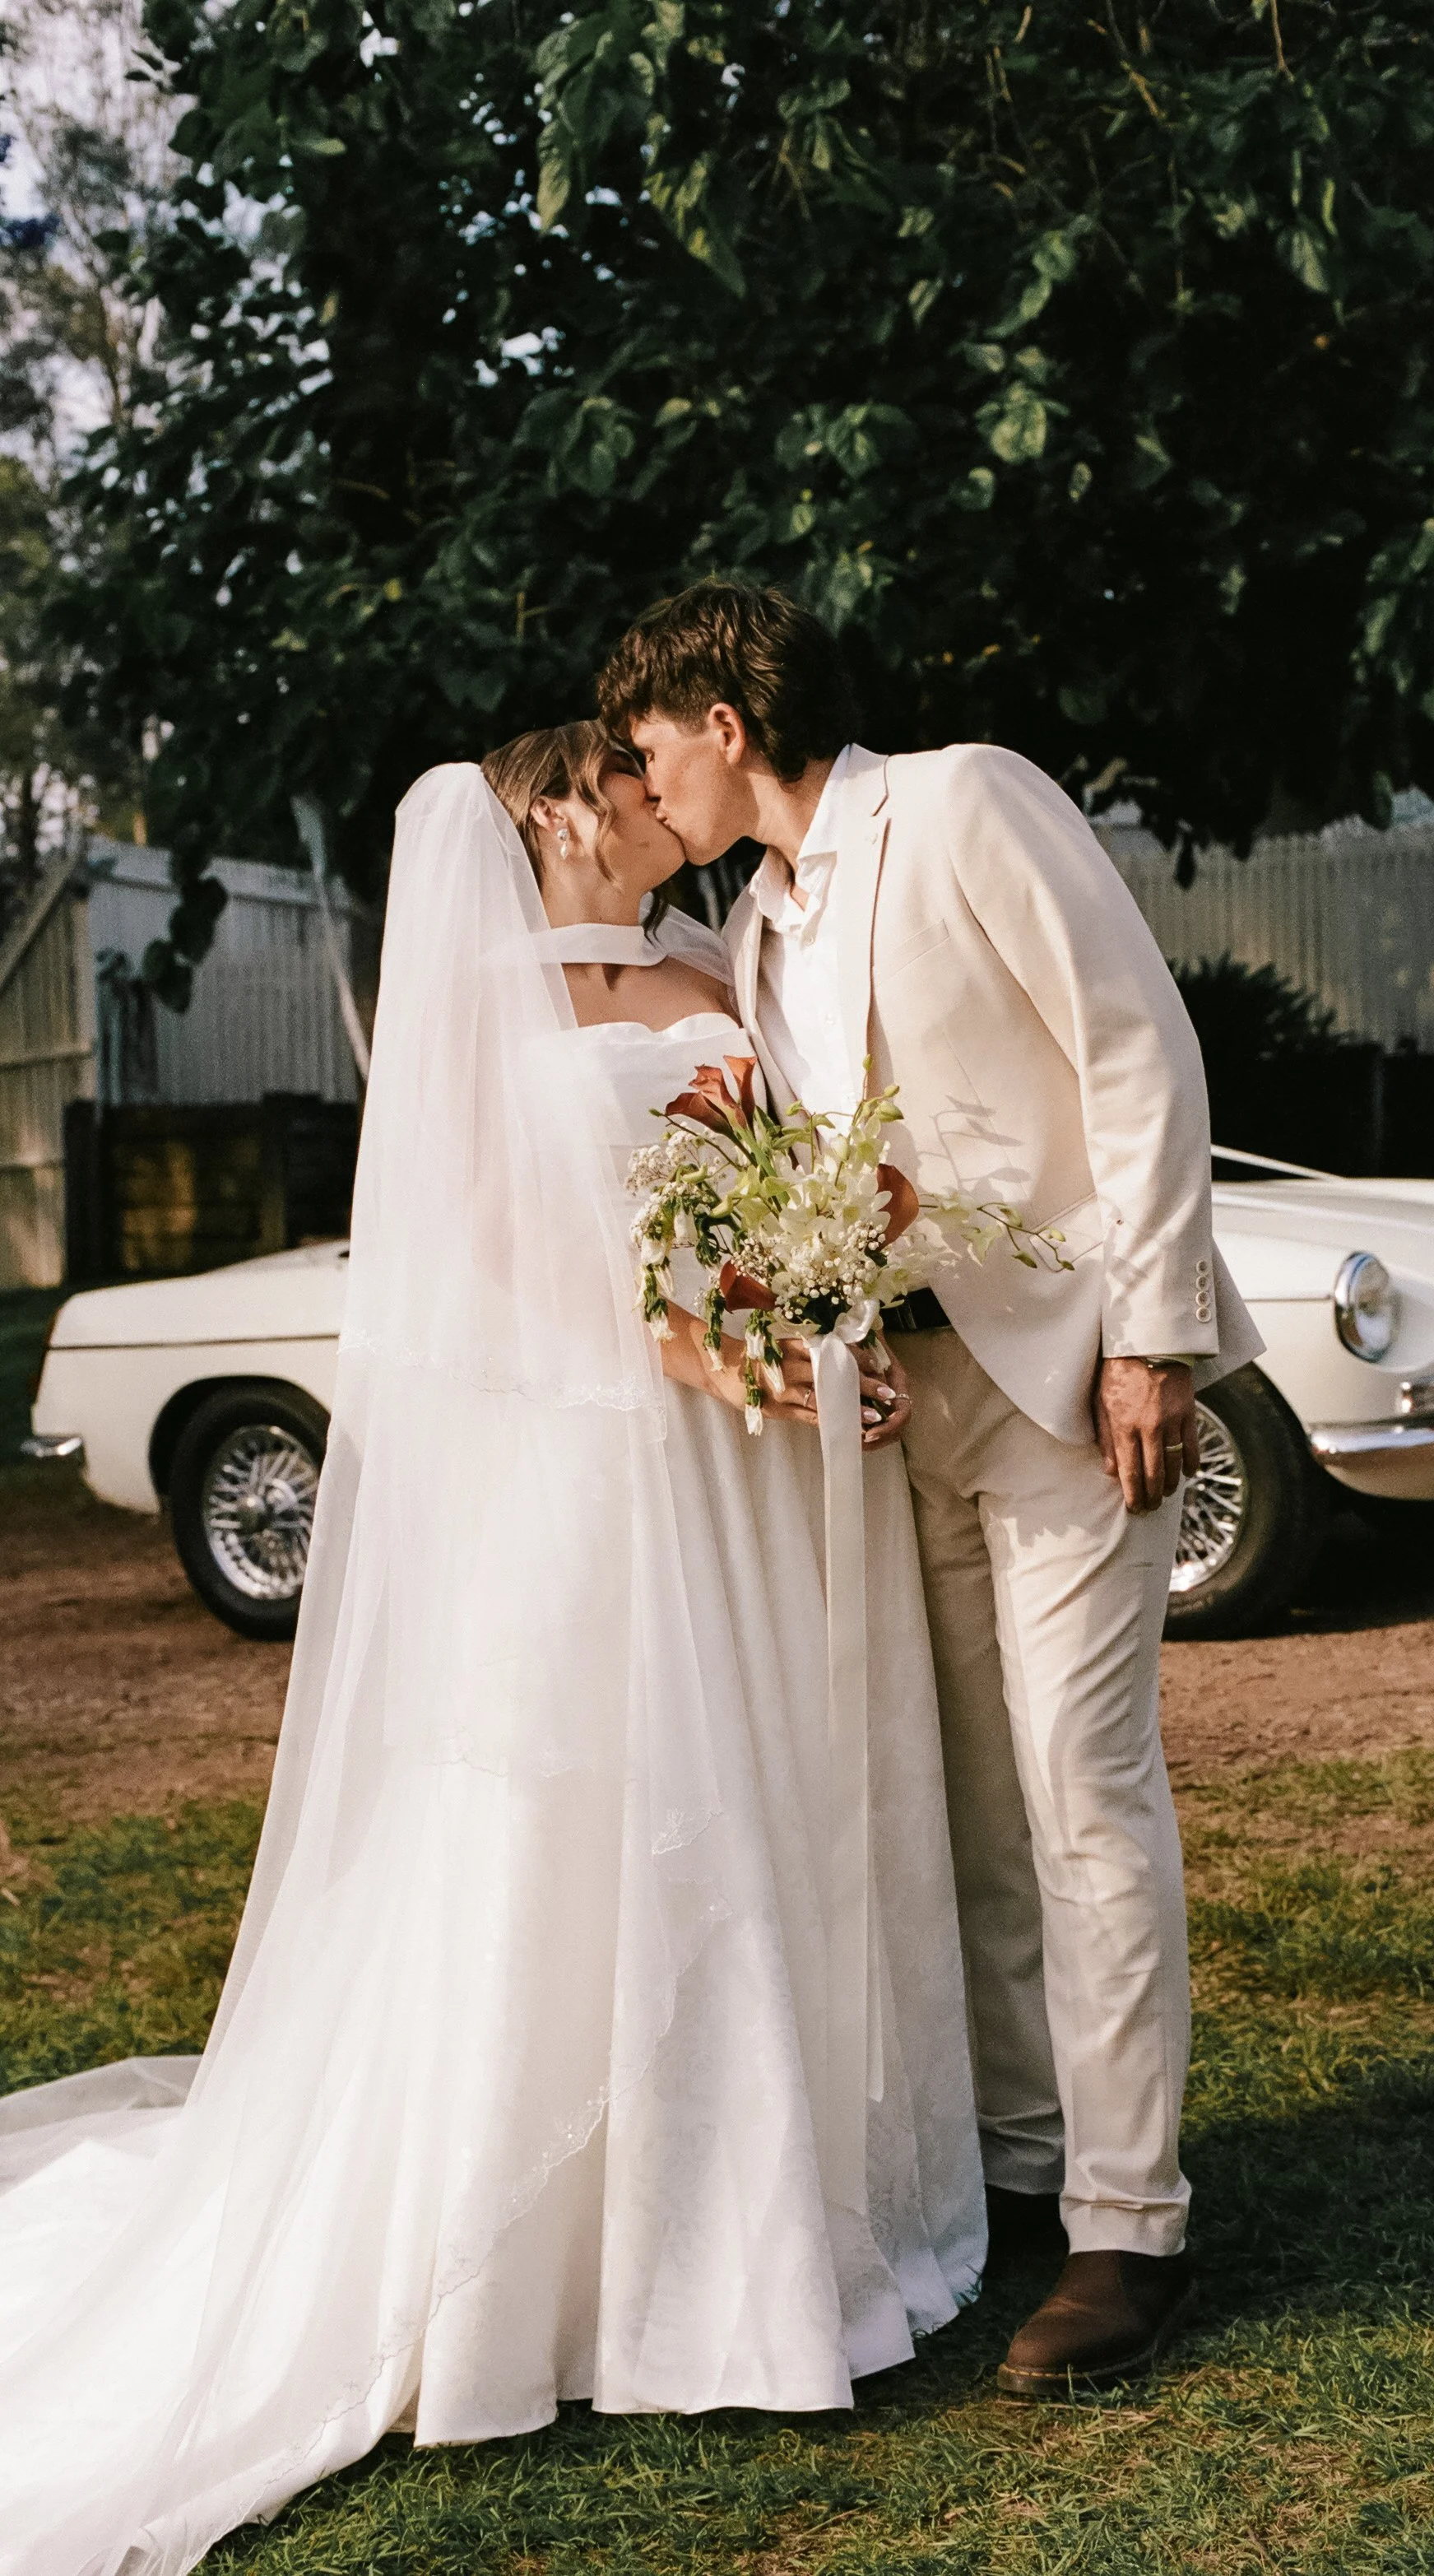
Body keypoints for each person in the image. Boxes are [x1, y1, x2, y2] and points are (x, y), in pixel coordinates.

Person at [0, 729, 983, 2576]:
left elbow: (800, 1176)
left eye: (643, 776)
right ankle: (539, 2257)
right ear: (541, 813)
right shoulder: (474, 1001)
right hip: (589, 1450)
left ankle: (746, 2204)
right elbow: (479, 1247)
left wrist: (818, 1317)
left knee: (757, 1790)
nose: (640, 802)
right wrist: (682, 1346)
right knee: (581, 1807)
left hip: (749, 1454)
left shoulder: (718, 967)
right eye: (609, 784)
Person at [597, 585, 1265, 2401]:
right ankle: (1033, 2161)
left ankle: (1134, 2223)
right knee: (973, 1800)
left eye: (649, 750)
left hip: (1070, 1383)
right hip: (916, 1397)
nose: (643, 790)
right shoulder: (749, 923)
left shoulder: (962, 797)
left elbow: (1134, 1046)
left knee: (1078, 1787)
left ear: (722, 718)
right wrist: (830, 1325)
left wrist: (1152, 1338)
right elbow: (838, 1166)